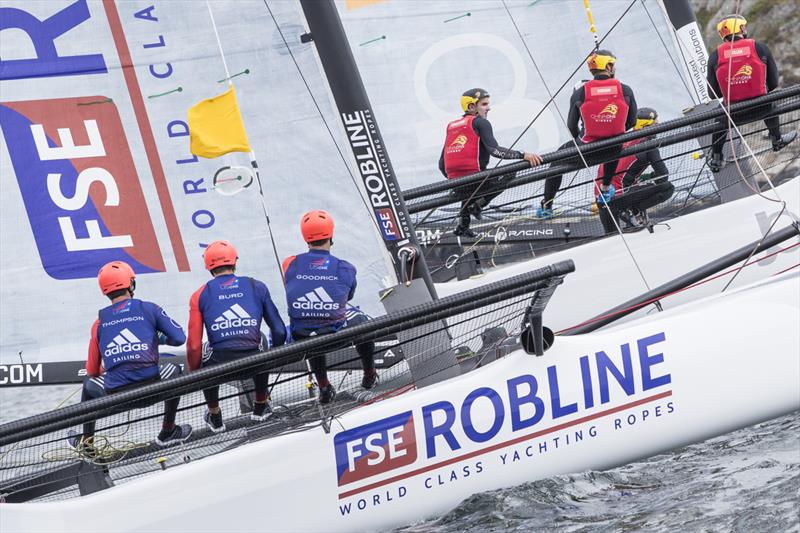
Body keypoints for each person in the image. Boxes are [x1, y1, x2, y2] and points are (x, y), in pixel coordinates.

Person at [73, 261, 191, 450]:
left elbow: (92, 370)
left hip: (117, 398)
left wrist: (110, 366)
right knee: (175, 369)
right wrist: (158, 339)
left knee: (88, 383)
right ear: (131, 284)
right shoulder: (149, 308)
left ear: (105, 291)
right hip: (153, 390)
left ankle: (87, 444)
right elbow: (179, 338)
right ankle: (168, 430)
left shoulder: (99, 323)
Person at [187, 241, 287, 432]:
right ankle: (260, 405)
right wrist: (273, 357)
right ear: (235, 262)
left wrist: (195, 374)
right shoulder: (256, 286)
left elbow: (193, 346)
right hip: (255, 362)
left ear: (208, 267)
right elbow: (279, 331)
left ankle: (215, 416)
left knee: (207, 348)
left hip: (219, 365)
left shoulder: (199, 294)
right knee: (261, 341)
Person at [283, 210, 376, 404]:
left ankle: (324, 386)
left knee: (310, 329)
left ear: (305, 237)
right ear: (331, 235)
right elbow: (348, 296)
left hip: (303, 338)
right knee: (361, 320)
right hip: (335, 335)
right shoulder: (346, 267)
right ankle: (369, 374)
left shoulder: (289, 263)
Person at [538, 50, 637, 218]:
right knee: (614, 142)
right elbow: (632, 122)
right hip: (614, 149)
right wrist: (613, 129)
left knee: (555, 160)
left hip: (588, 149)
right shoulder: (625, 90)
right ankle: (605, 188)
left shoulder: (580, 92)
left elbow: (571, 126)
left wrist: (581, 139)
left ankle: (547, 206)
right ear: (608, 66)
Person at [439, 88, 543, 237]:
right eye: (484, 104)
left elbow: (441, 165)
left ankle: (463, 225)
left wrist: (453, 180)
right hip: (475, 181)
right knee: (509, 173)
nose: (488, 108)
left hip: (456, 184)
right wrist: (523, 155)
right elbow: (495, 150)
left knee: (470, 184)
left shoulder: (451, 126)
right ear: (471, 107)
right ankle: (478, 206)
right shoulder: (480, 122)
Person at [706, 14, 796, 172]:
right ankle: (777, 139)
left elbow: (713, 94)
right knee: (771, 98)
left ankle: (717, 158)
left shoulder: (715, 56)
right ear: (741, 28)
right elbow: (774, 83)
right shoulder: (760, 47)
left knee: (716, 116)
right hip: (763, 108)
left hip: (732, 115)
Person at [594, 107, 675, 233]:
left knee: (611, 236)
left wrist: (642, 178)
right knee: (668, 187)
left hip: (601, 196)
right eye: (656, 124)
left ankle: (630, 211)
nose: (658, 127)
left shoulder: (623, 137)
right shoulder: (649, 144)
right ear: (646, 126)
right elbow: (663, 176)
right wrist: (650, 177)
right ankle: (634, 209)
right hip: (618, 197)